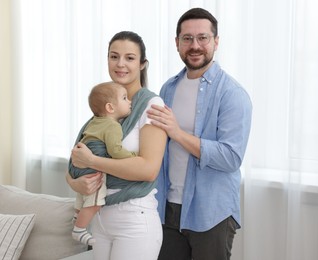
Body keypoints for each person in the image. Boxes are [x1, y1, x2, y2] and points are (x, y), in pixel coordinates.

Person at [147, 8, 252, 260]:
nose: (195, 45)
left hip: (211, 214)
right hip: (167, 209)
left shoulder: (232, 94)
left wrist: (178, 133)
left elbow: (230, 157)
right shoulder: (168, 88)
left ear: (216, 41)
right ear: (177, 43)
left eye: (202, 38)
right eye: (187, 38)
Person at [66, 31, 167, 260]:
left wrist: (93, 162)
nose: (120, 64)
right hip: (101, 220)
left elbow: (148, 169)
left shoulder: (152, 105)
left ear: (142, 64)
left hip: (134, 217)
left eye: (130, 58)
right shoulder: (103, 110)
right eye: (114, 56)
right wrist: (76, 183)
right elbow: (74, 161)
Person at [69, 81, 137, 246]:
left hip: (76, 167)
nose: (130, 102)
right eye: (124, 98)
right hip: (91, 168)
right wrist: (134, 156)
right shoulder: (113, 126)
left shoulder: (93, 122)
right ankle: (79, 230)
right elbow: (115, 151)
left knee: (83, 196)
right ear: (110, 108)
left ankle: (77, 217)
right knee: (96, 202)